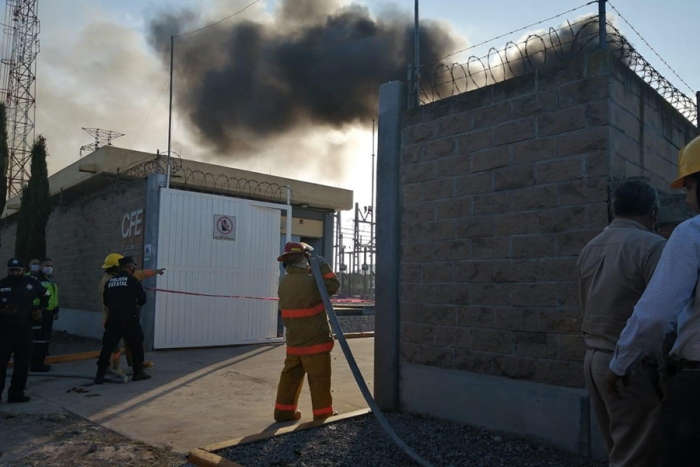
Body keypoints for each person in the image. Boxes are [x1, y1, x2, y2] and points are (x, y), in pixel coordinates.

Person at [607, 134, 700, 467]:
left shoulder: (692, 233)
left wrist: (618, 364)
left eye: (688, 189)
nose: (687, 200)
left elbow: (655, 316)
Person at [577, 178, 666, 467]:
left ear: (614, 210)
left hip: (593, 359)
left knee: (618, 448)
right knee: (636, 455)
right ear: (653, 213)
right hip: (629, 364)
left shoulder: (590, 247)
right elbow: (661, 315)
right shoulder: (653, 246)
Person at [273, 242, 340, 422]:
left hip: (294, 342)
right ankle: (323, 414)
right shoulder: (312, 283)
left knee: (290, 378)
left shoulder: (284, 283)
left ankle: (283, 413)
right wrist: (322, 265)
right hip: (315, 342)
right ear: (304, 260)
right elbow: (333, 285)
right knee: (319, 379)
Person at [99, 253, 164, 373]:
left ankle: (136, 363)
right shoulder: (107, 281)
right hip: (113, 316)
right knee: (115, 345)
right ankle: (115, 367)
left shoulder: (122, 277)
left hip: (120, 316)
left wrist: (156, 271)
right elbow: (106, 303)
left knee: (131, 342)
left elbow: (141, 274)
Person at [0, 258, 50, 402]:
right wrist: (2, 310)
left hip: (24, 330)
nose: (14, 273)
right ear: (8, 270)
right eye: (12, 270)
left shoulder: (31, 283)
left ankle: (16, 394)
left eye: (17, 270)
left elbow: (46, 295)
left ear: (23, 270)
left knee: (22, 364)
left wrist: (40, 309)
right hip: (4, 331)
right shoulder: (2, 284)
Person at [95, 256, 151, 384]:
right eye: (133, 266)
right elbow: (142, 299)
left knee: (107, 348)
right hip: (129, 319)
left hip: (113, 320)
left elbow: (106, 302)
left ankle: (100, 375)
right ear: (129, 266)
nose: (134, 268)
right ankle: (138, 373)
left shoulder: (110, 282)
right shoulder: (132, 280)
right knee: (136, 346)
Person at [30, 258, 60, 372]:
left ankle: (40, 363)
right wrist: (37, 309)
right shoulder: (36, 279)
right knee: (38, 339)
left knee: (45, 339)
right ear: (41, 266)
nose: (49, 268)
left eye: (51, 265)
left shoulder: (51, 279)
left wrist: (56, 309)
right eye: (47, 265)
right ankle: (35, 364)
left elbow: (54, 296)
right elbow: (34, 296)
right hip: (40, 312)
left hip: (49, 312)